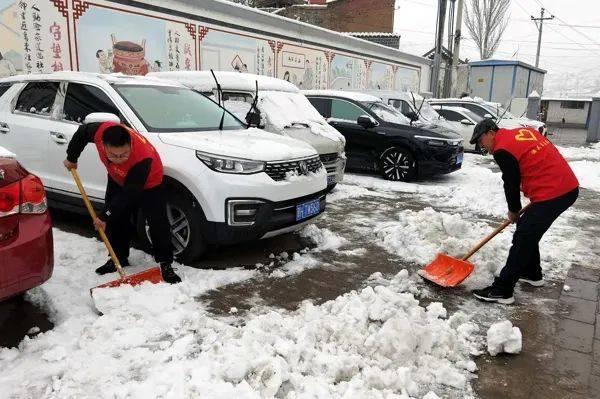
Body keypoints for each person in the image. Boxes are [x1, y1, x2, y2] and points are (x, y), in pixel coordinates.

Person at [470, 119, 578, 304]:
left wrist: (514, 210)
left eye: (480, 141)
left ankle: (502, 290)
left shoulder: (502, 148)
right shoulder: (523, 133)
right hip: (566, 186)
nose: (482, 146)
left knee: (523, 236)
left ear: (490, 132)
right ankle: (532, 273)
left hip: (554, 192)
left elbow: (510, 183)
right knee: (528, 229)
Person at [63, 121, 182, 284]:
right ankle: (117, 257)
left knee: (156, 221)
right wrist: (72, 157)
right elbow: (82, 132)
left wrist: (104, 216)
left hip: (149, 183)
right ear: (103, 145)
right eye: (113, 155)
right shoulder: (99, 132)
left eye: (124, 154)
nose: (119, 159)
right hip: (117, 178)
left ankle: (165, 263)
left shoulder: (142, 157)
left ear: (130, 145)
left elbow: (128, 195)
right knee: (116, 219)